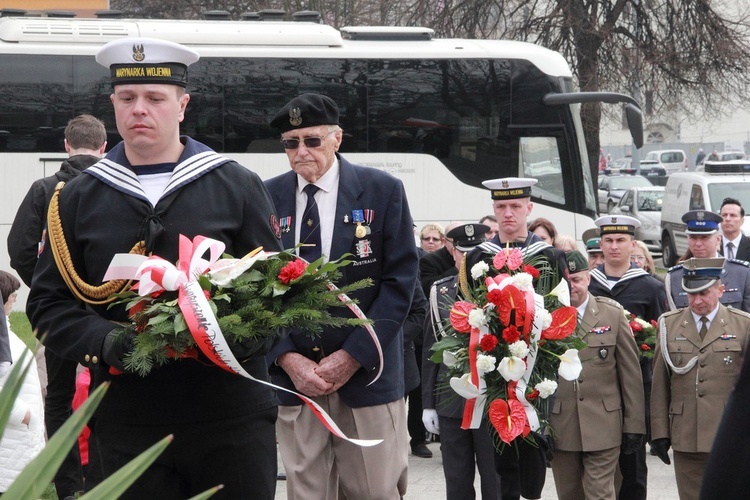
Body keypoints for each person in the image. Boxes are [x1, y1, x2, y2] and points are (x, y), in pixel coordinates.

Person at [26, 38, 283, 499]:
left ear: (182, 106)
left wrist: (233, 337)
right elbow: (47, 304)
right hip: (127, 418)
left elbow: (277, 291)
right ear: (113, 105)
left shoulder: (236, 184)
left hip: (230, 414)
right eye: (127, 98)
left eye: (155, 98)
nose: (139, 109)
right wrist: (107, 341)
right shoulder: (79, 196)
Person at [264, 93, 418, 499]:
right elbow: (255, 291)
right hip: (297, 381)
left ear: (337, 139)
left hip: (367, 377)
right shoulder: (266, 197)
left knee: (374, 491)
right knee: (306, 492)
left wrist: (351, 356)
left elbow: (399, 284)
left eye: (312, 141)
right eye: (290, 143)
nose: (301, 151)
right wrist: (287, 358)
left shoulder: (382, 191)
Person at [7, 113, 107, 499]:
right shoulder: (115, 186)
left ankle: (68, 487)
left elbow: (19, 250)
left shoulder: (44, 188)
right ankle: (101, 481)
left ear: (66, 145)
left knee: (60, 399)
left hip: (60, 318)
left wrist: (51, 291)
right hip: (105, 314)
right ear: (103, 147)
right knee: (106, 395)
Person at [460, 177, 566, 499]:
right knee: (500, 453)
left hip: (535, 366)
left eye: (516, 206)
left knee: (532, 453)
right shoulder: (477, 256)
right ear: (493, 209)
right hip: (493, 365)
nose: (508, 213)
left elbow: (560, 311)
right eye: (501, 206)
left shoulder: (548, 255)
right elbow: (467, 312)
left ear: (529, 208)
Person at [651, 257, 750, 500]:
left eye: (703, 293)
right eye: (690, 294)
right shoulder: (669, 325)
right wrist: (660, 433)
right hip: (687, 434)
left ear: (720, 290)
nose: (696, 301)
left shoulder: (743, 325)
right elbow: (660, 385)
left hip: (728, 433)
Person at [550, 250, 645, 500]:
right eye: (566, 281)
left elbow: (630, 375)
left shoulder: (611, 314)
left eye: (577, 280)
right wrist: (541, 428)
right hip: (562, 425)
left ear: (589, 278)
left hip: (604, 423)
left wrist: (634, 425)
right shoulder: (544, 317)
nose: (572, 287)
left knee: (600, 492)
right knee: (569, 493)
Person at [588, 215, 668, 500]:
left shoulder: (651, 287)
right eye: (608, 240)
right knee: (596, 463)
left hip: (636, 387)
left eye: (621, 240)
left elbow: (661, 342)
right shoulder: (588, 286)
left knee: (633, 467)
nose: (614, 246)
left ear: (633, 244)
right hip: (596, 388)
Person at [421, 223, 500, 500]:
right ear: (451, 251)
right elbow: (432, 349)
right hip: (451, 398)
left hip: (493, 398)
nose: (466, 259)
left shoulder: (500, 290)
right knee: (456, 481)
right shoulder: (439, 290)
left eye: (473, 252)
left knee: (495, 480)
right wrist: (428, 404)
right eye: (461, 252)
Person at [0, 271, 45, 494]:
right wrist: (22, 415)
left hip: (15, 437)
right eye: (12, 296)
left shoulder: (4, 331)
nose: (14, 300)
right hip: (10, 438)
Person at [665, 210, 750, 312]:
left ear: (718, 239)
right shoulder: (674, 277)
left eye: (704, 237)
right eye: (693, 237)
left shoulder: (742, 274)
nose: (698, 243)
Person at [404, 279, 430, 458]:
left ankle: (418, 439)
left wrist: (391, 339)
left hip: (404, 344)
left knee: (416, 394)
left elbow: (420, 310)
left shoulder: (407, 274)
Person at [419, 221, 461, 296]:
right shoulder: (429, 260)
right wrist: (456, 269)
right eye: (455, 243)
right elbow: (429, 289)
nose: (430, 242)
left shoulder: (473, 256)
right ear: (444, 241)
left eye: (435, 239)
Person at [719, 197, 750, 262]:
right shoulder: (712, 245)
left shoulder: (748, 244)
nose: (727, 219)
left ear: (742, 221)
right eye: (724, 215)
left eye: (733, 215)